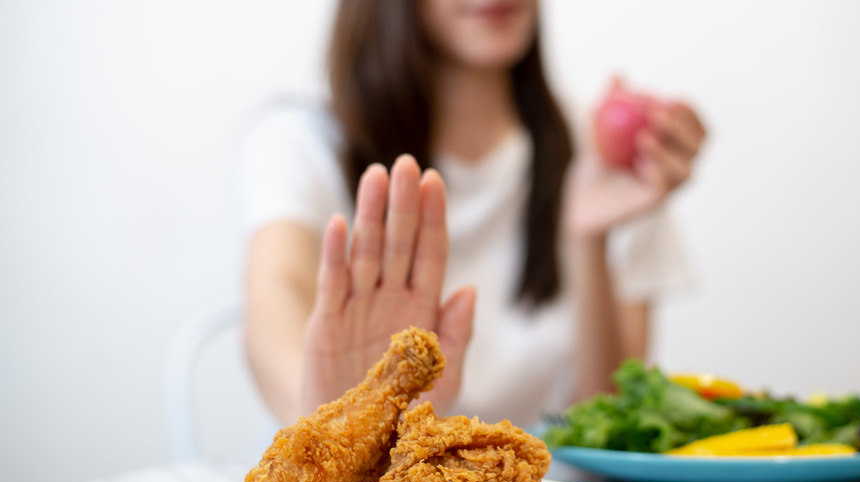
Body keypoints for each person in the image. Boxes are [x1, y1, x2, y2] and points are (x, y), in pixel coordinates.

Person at [240, 0, 706, 429]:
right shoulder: (303, 143)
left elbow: (603, 426)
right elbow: (274, 295)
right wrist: (326, 418)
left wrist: (587, 240)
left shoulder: (603, 160)